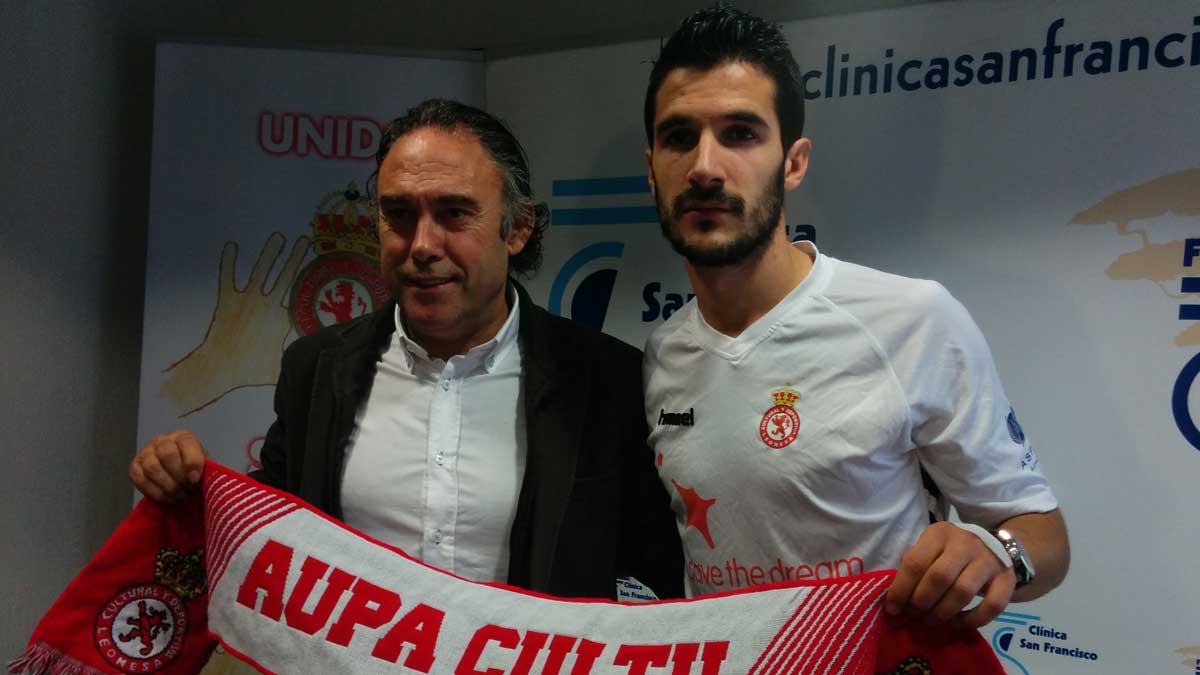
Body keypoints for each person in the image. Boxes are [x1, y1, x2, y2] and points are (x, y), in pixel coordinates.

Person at [131, 99, 683, 600]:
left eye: (453, 213)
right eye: (399, 214)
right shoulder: (316, 367)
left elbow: (652, 574)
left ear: (516, 228)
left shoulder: (608, 380)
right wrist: (189, 485)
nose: (421, 245)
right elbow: (276, 529)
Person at [640, 6, 1068, 626]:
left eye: (741, 133)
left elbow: (1045, 537)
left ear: (793, 162)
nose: (705, 166)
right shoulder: (663, 353)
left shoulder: (914, 318)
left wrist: (997, 553)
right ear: (652, 167)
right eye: (680, 137)